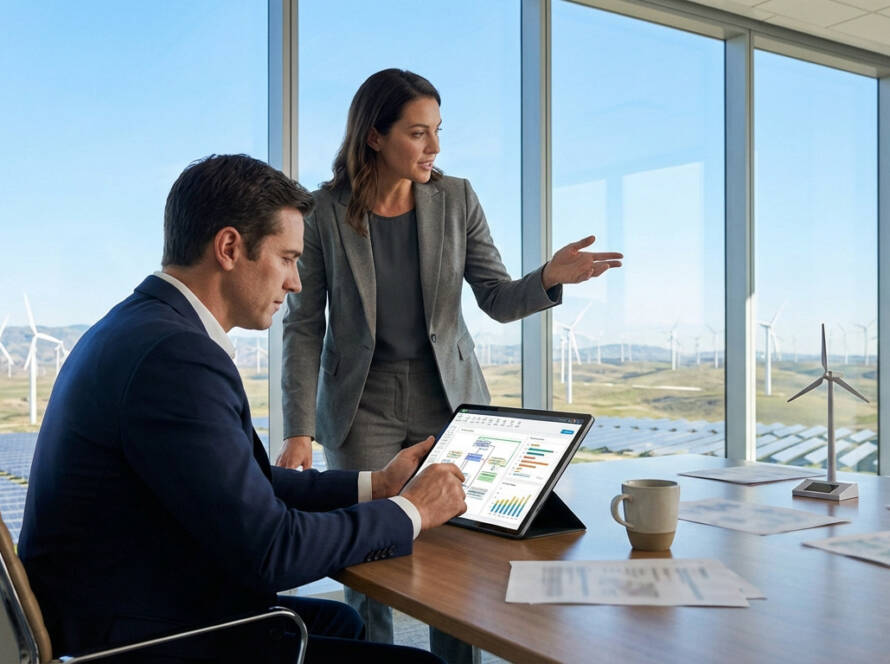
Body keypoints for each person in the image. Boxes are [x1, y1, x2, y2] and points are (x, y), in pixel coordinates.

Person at [18, 154, 468, 663]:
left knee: (342, 620)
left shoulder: (143, 327)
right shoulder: (175, 357)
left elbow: (249, 483)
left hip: (123, 604)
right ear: (230, 247)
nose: (296, 283)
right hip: (137, 639)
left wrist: (378, 486)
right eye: (288, 258)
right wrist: (412, 511)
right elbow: (271, 551)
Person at [278, 68, 624, 662]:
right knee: (371, 564)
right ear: (374, 136)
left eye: (437, 131)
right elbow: (305, 327)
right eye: (418, 133)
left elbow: (493, 297)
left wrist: (547, 278)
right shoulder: (321, 212)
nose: (434, 147)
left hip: (449, 399)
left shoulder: (456, 198)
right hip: (362, 406)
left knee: (459, 555)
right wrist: (298, 431)